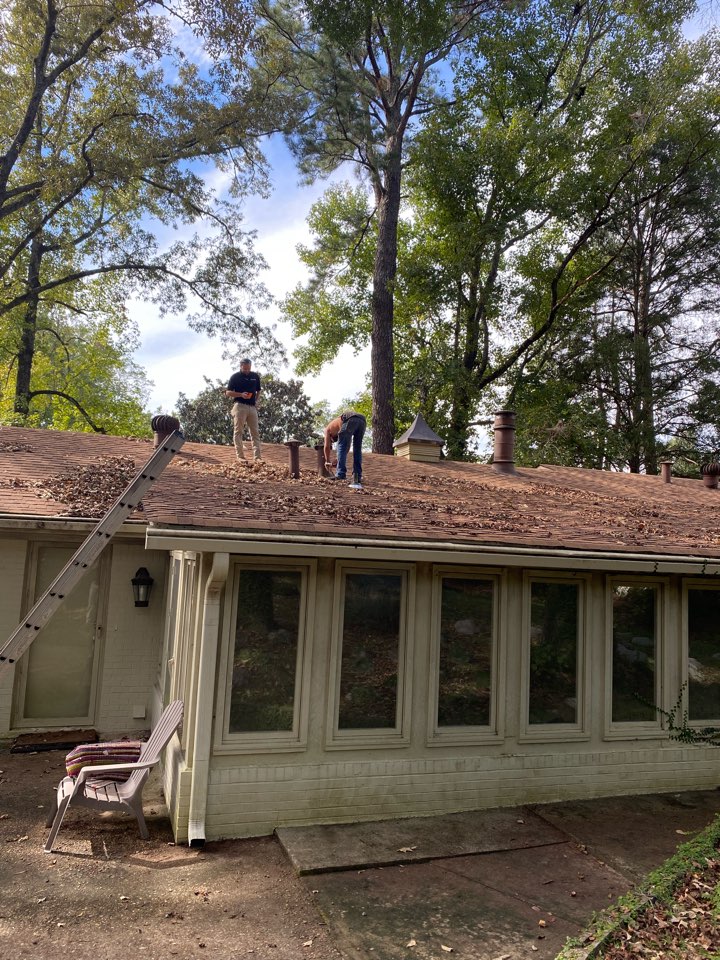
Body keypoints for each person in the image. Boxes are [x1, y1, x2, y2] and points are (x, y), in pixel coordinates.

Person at [225, 358, 262, 461]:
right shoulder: (235, 377)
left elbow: (258, 390)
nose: (247, 370)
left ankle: (258, 458)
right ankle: (240, 457)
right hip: (240, 406)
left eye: (248, 368)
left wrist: (256, 401)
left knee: (255, 433)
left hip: (252, 407)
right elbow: (227, 392)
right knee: (238, 431)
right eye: (245, 368)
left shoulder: (255, 376)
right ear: (240, 366)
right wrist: (240, 394)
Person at [324, 410, 366, 482]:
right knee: (357, 448)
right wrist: (338, 459)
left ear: (331, 437)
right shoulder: (338, 425)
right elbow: (347, 447)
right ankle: (357, 476)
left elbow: (327, 446)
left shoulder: (327, 429)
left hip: (350, 418)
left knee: (341, 445)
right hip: (362, 420)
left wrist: (327, 461)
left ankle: (340, 474)